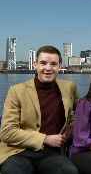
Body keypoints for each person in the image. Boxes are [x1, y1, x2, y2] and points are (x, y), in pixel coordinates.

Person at [0, 45, 80, 174]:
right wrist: (45, 139)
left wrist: (74, 121)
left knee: (69, 171)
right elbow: (7, 132)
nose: (48, 68)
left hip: (52, 154)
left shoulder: (69, 87)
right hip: (19, 151)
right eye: (43, 63)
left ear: (60, 67)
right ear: (35, 65)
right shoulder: (16, 91)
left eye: (53, 64)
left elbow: (84, 110)